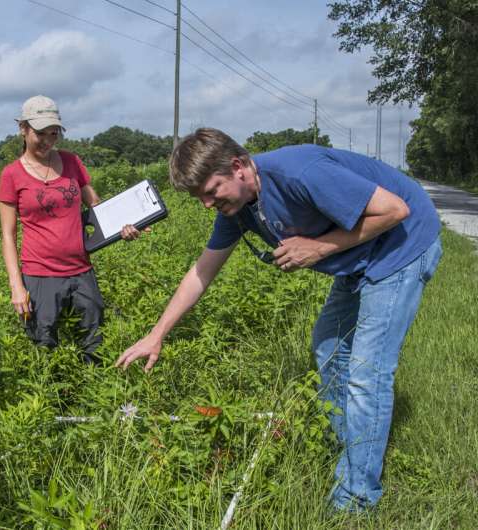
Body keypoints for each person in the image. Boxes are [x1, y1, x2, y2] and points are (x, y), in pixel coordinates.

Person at [115, 128, 442, 511]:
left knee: (367, 372)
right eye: (199, 197)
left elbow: (395, 210)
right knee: (329, 350)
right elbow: (201, 272)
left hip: (400, 246)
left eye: (211, 190)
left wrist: (317, 248)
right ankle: (351, 452)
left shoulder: (300, 172)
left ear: (238, 167)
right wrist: (156, 334)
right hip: (358, 255)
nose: (206, 204)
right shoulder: (238, 208)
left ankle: (357, 497)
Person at [0, 95, 141, 363]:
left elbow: (97, 207)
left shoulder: (72, 162)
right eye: (41, 133)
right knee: (44, 346)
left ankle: (94, 396)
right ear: (23, 129)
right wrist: (16, 286)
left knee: (95, 342)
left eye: (54, 133)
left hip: (81, 271)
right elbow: (7, 235)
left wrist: (123, 227)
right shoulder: (11, 175)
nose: (49, 141)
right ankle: (53, 402)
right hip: (39, 275)